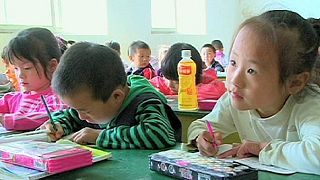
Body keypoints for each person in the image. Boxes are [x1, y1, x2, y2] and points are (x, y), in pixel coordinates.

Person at [188, 10, 320, 175]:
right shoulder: (234, 99)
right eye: (233, 62)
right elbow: (200, 125)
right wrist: (200, 137)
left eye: (251, 70)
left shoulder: (309, 104)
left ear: (295, 82)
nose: (235, 80)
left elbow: (317, 155)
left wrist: (261, 149)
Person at [41, 42, 181, 149]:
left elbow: (159, 134)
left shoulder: (145, 102)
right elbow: (70, 115)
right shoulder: (90, 103)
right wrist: (57, 125)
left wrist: (100, 136)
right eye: (77, 110)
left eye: (84, 111)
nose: (80, 117)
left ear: (116, 97)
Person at [0, 27, 67, 131]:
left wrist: (7, 120)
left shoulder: (59, 97)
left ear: (52, 66)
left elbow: (51, 117)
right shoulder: (13, 99)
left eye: (27, 68)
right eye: (16, 69)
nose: (20, 75)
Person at [150, 43, 226, 100]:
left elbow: (220, 90)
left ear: (194, 77)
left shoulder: (209, 83)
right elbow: (141, 84)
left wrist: (174, 97)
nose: (170, 85)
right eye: (167, 78)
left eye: (177, 82)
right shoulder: (163, 83)